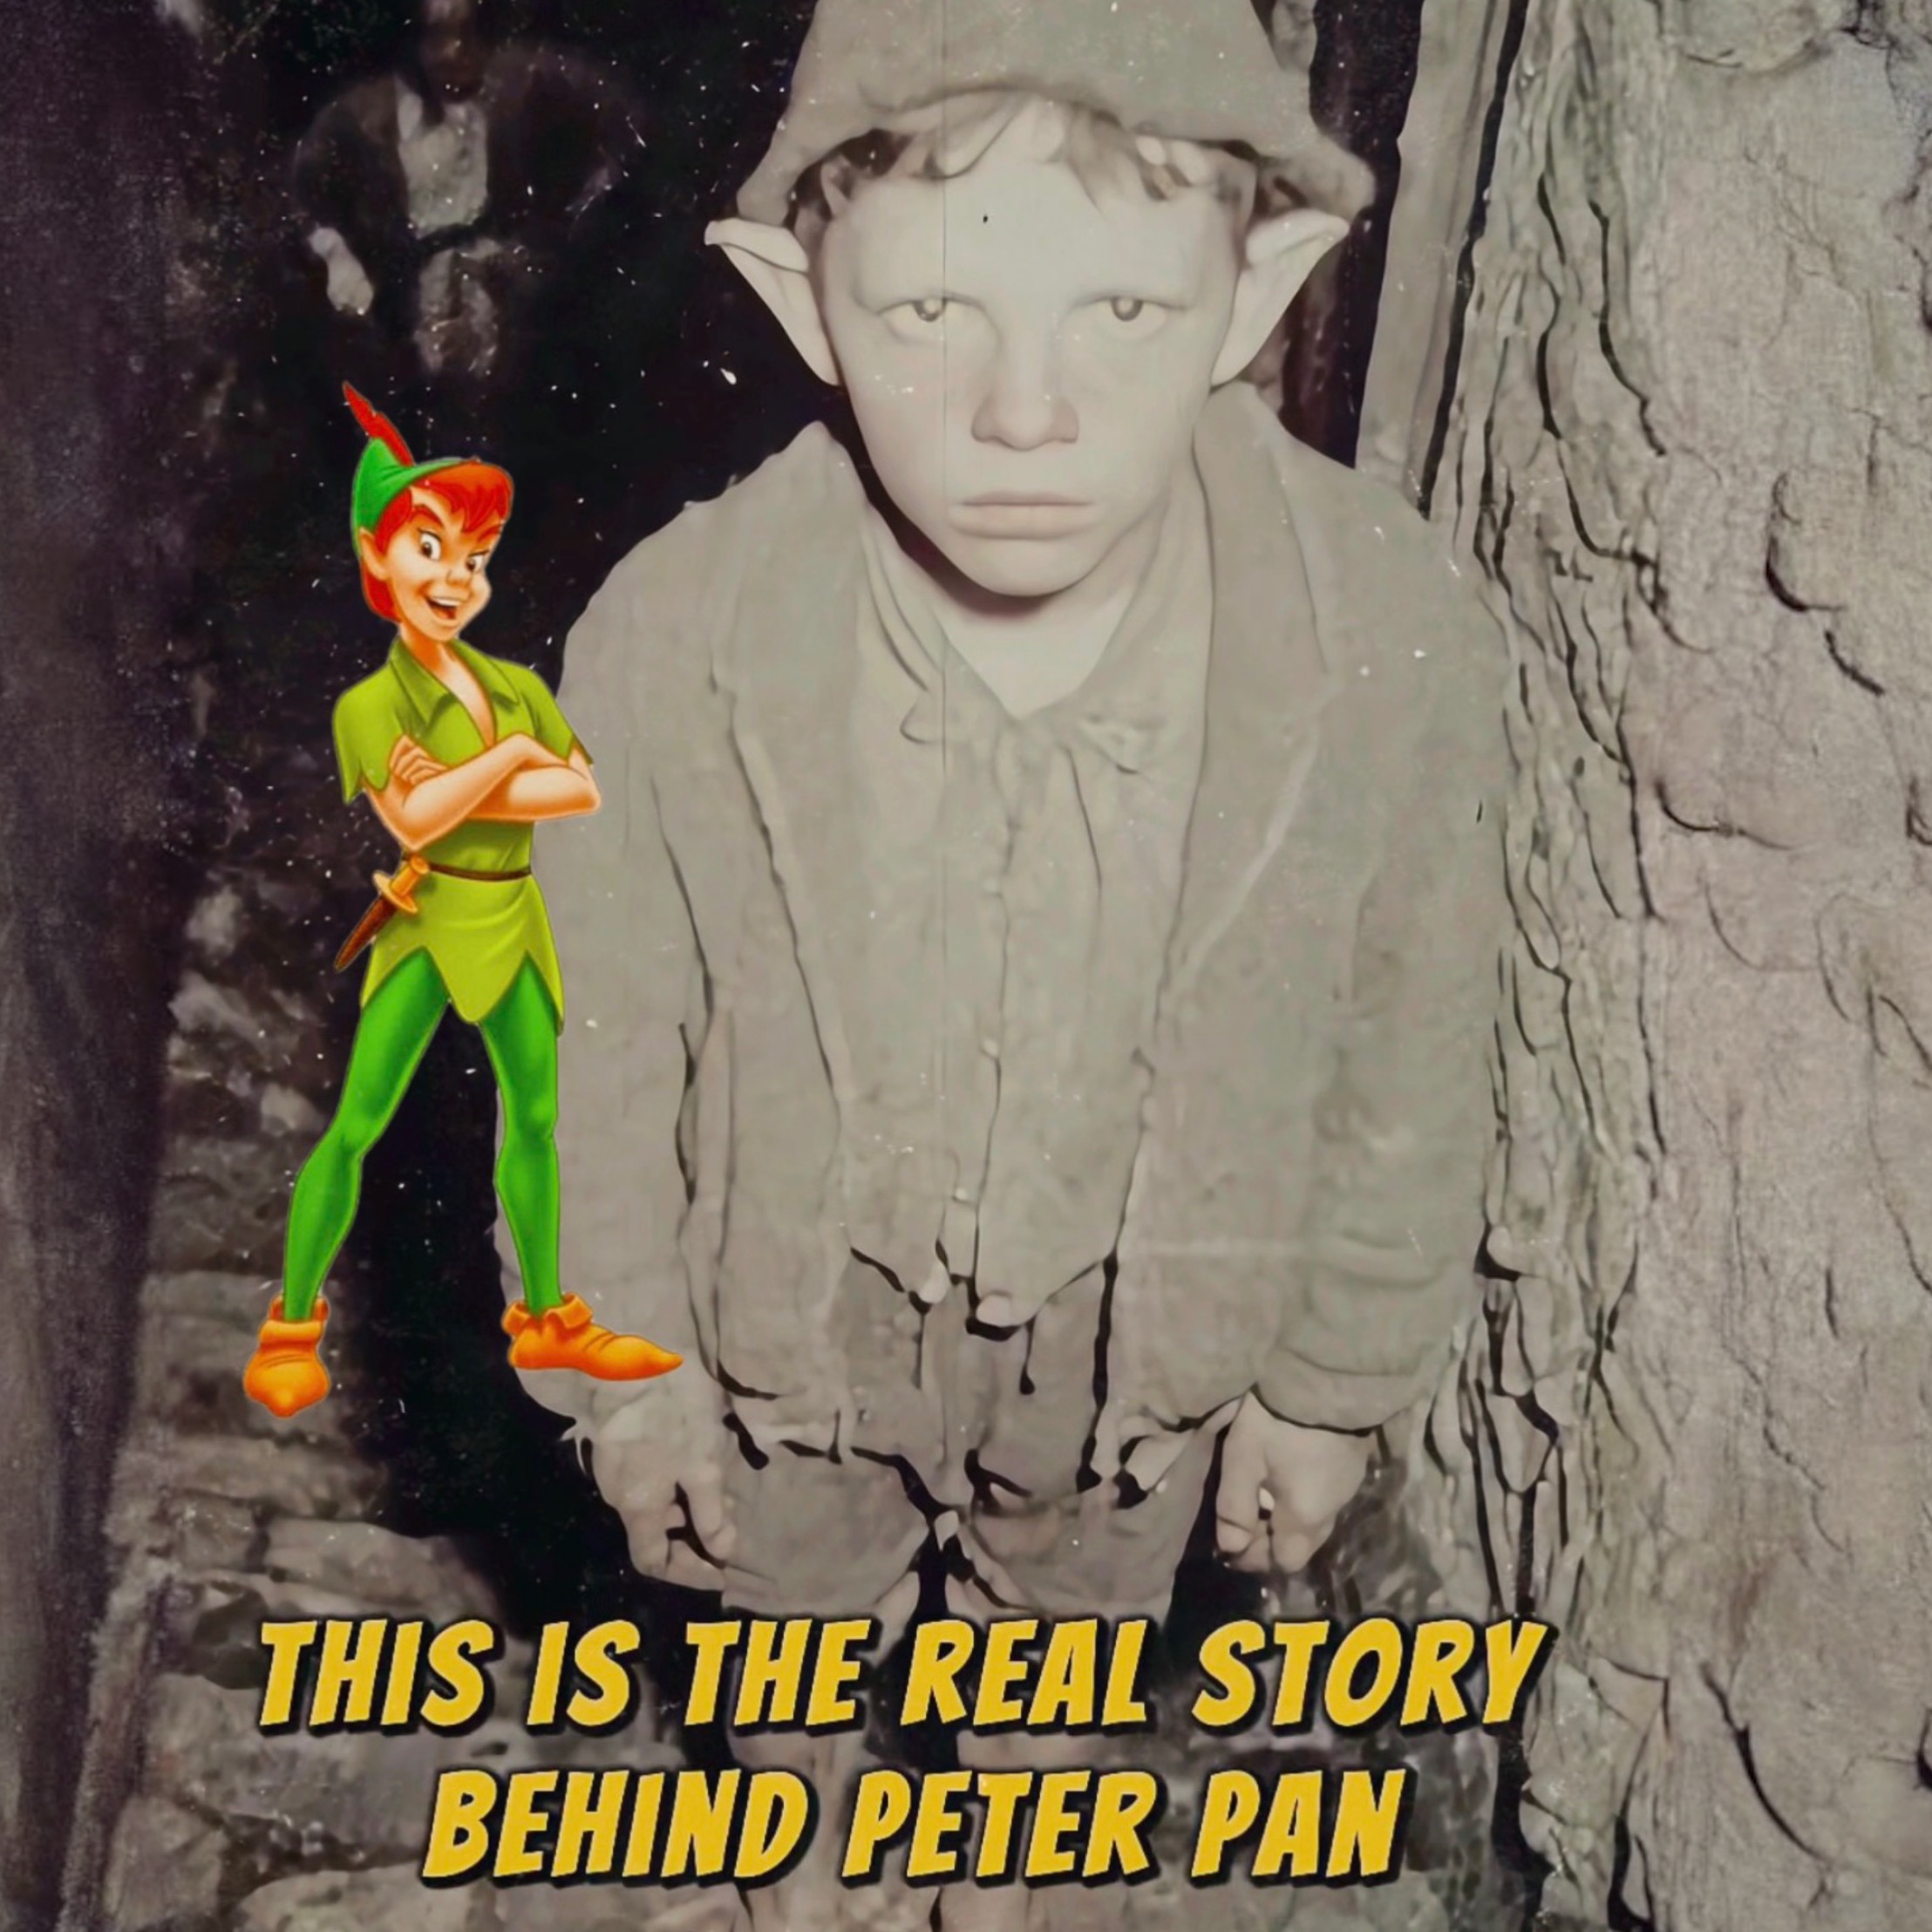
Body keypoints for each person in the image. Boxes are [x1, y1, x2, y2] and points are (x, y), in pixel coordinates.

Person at [522, 1, 1511, 1922]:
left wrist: (1326, 1385)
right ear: (802, 302)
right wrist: (624, 1373)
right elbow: (591, 1045)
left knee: (1054, 1674)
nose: (1025, 415)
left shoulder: (1384, 643)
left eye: (1121, 311)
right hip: (793, 1313)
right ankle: (797, 1856)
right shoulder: (675, 638)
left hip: (1132, 1336)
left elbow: (1410, 1046)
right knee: (782, 1635)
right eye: (929, 311)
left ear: (1255, 290)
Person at [242, 388, 680, 1418]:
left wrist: (472, 773)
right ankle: (291, 1327)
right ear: (376, 557)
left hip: (512, 912)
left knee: (535, 1116)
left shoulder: (516, 684)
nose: (454, 578)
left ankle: (546, 1317)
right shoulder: (371, 704)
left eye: (473, 558)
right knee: (360, 1121)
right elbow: (414, 818)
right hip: (430, 919)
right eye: (430, 548)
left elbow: (576, 789)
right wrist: (506, 760)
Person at [293, 0, 639, 418]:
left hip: (510, 327)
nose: (453, 52)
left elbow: (623, 130)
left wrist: (566, 230)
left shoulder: (526, 82)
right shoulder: (364, 114)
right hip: (403, 332)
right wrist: (337, 256)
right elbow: (302, 195)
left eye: (469, 33)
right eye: (436, 35)